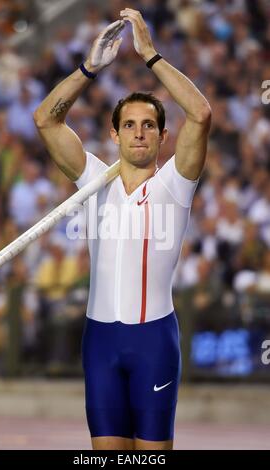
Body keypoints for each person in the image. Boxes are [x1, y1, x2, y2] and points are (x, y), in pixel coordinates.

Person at [34, 8, 211, 451]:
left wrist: (150, 55)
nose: (138, 133)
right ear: (114, 134)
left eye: (148, 125)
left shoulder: (175, 184)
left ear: (162, 136)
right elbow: (45, 120)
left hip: (153, 341)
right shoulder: (92, 180)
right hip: (101, 343)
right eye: (128, 125)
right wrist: (89, 68)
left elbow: (202, 114)